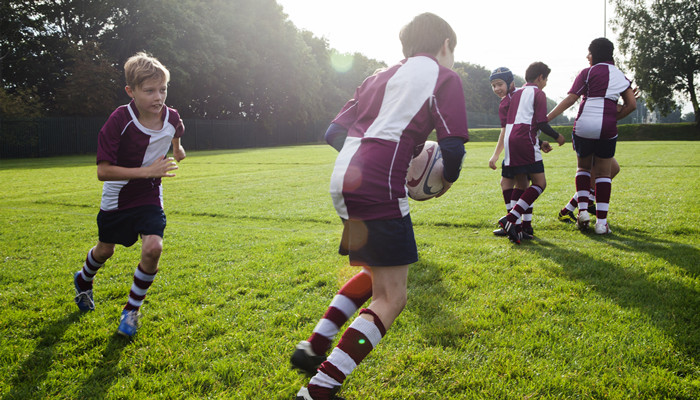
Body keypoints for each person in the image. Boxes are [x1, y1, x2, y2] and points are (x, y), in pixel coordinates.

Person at [291, 12, 469, 400]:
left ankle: (315, 344)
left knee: (377, 273)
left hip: (343, 182)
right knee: (393, 297)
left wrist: (372, 158)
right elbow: (453, 146)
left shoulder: (377, 77)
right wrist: (446, 182)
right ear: (445, 46)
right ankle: (320, 388)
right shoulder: (444, 76)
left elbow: (333, 131)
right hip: (378, 185)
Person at [72, 52, 186, 337]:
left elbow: (177, 129)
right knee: (105, 250)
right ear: (131, 91)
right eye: (149, 91)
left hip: (149, 195)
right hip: (117, 197)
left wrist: (177, 148)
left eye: (163, 89)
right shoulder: (119, 120)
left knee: (153, 248)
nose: (158, 97)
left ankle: (131, 310)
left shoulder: (171, 116)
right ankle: (84, 280)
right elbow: (103, 172)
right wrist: (148, 170)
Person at [547, 38, 636, 234]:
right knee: (605, 173)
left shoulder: (586, 73)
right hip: (606, 127)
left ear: (595, 54)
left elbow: (571, 98)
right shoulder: (620, 75)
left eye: (589, 53)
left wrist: (546, 118)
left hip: (584, 124)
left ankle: (583, 212)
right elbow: (632, 105)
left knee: (583, 169)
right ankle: (602, 224)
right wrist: (613, 116)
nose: (587, 57)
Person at [497, 62, 565, 244]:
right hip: (525, 141)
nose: (546, 83)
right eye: (546, 79)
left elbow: (512, 115)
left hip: (511, 141)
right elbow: (541, 122)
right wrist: (557, 136)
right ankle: (510, 220)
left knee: (521, 185)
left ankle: (521, 229)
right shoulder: (538, 93)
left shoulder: (514, 93)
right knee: (540, 183)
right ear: (540, 77)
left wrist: (540, 141)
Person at [488, 67, 549, 239]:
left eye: (500, 84)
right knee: (522, 185)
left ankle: (512, 223)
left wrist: (495, 154)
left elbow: (506, 131)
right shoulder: (521, 94)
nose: (497, 89)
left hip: (515, 148)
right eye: (493, 85)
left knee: (510, 185)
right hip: (524, 145)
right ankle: (522, 226)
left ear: (510, 82)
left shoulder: (510, 100)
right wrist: (540, 141)